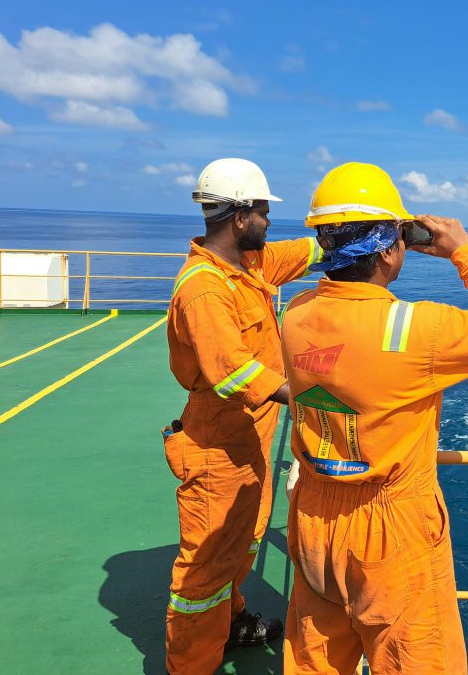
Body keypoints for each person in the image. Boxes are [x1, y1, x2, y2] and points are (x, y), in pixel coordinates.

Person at [280, 162, 468, 674]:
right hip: (390, 532)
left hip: (312, 517)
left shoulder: (297, 313)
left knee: (314, 661)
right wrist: (463, 251)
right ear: (388, 248)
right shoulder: (415, 328)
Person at [163, 157, 324, 675]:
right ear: (238, 217)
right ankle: (191, 664)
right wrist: (309, 400)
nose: (269, 220)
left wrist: (380, 232)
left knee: (243, 542)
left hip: (250, 438)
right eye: (262, 210)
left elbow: (306, 252)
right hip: (216, 446)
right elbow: (230, 373)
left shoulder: (247, 267)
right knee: (204, 571)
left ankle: (230, 624)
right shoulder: (205, 289)